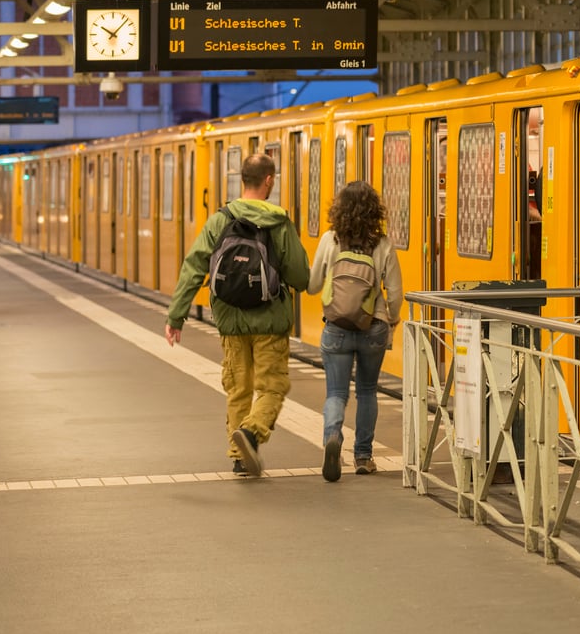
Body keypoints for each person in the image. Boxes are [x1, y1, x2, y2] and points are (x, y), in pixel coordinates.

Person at [164, 153, 310, 477]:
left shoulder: (220, 220)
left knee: (238, 387)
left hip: (230, 320)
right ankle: (252, 432)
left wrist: (176, 317)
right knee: (272, 387)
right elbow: (300, 276)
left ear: (241, 179)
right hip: (270, 320)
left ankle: (238, 456)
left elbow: (193, 266)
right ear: (269, 180)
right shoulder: (279, 222)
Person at [307, 181, 404, 482]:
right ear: (375, 210)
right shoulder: (383, 244)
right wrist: (393, 319)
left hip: (336, 327)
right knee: (367, 391)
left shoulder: (329, 239)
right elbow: (396, 291)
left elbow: (312, 285)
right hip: (373, 326)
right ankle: (363, 456)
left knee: (336, 392)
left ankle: (332, 437)